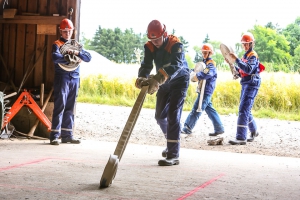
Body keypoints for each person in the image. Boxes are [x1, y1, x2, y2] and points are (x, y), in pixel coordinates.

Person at [135, 20, 190, 166]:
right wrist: (142, 77)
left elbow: (177, 65)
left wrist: (158, 78)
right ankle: (172, 141)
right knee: (160, 116)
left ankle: (173, 155)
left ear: (164, 34)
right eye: (152, 39)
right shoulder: (150, 46)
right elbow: (146, 64)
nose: (155, 42)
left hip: (179, 81)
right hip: (163, 82)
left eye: (158, 39)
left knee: (173, 115)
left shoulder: (175, 44)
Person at [50, 18, 92, 145]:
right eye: (64, 31)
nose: (67, 33)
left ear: (72, 31)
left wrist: (75, 52)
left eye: (69, 31)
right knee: (60, 105)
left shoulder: (76, 44)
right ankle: (54, 136)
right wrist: (70, 59)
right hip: (62, 77)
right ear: (60, 31)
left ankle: (67, 135)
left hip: (74, 77)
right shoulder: (57, 44)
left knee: (70, 106)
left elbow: (88, 57)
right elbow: (55, 57)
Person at [226, 32, 263, 145]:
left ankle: (241, 137)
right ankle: (254, 130)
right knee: (246, 109)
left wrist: (236, 59)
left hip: (252, 83)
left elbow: (248, 70)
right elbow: (242, 72)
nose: (245, 46)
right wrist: (233, 64)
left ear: (252, 43)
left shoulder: (252, 55)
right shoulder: (245, 56)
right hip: (246, 82)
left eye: (247, 44)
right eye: (244, 44)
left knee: (243, 109)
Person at [181, 43, 224, 138]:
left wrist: (196, 76)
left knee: (197, 108)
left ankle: (187, 127)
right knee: (210, 109)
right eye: (203, 52)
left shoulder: (211, 64)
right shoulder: (204, 63)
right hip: (204, 89)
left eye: (206, 52)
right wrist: (189, 71)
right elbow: (198, 70)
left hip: (206, 90)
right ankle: (219, 128)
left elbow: (207, 73)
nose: (204, 54)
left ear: (210, 53)